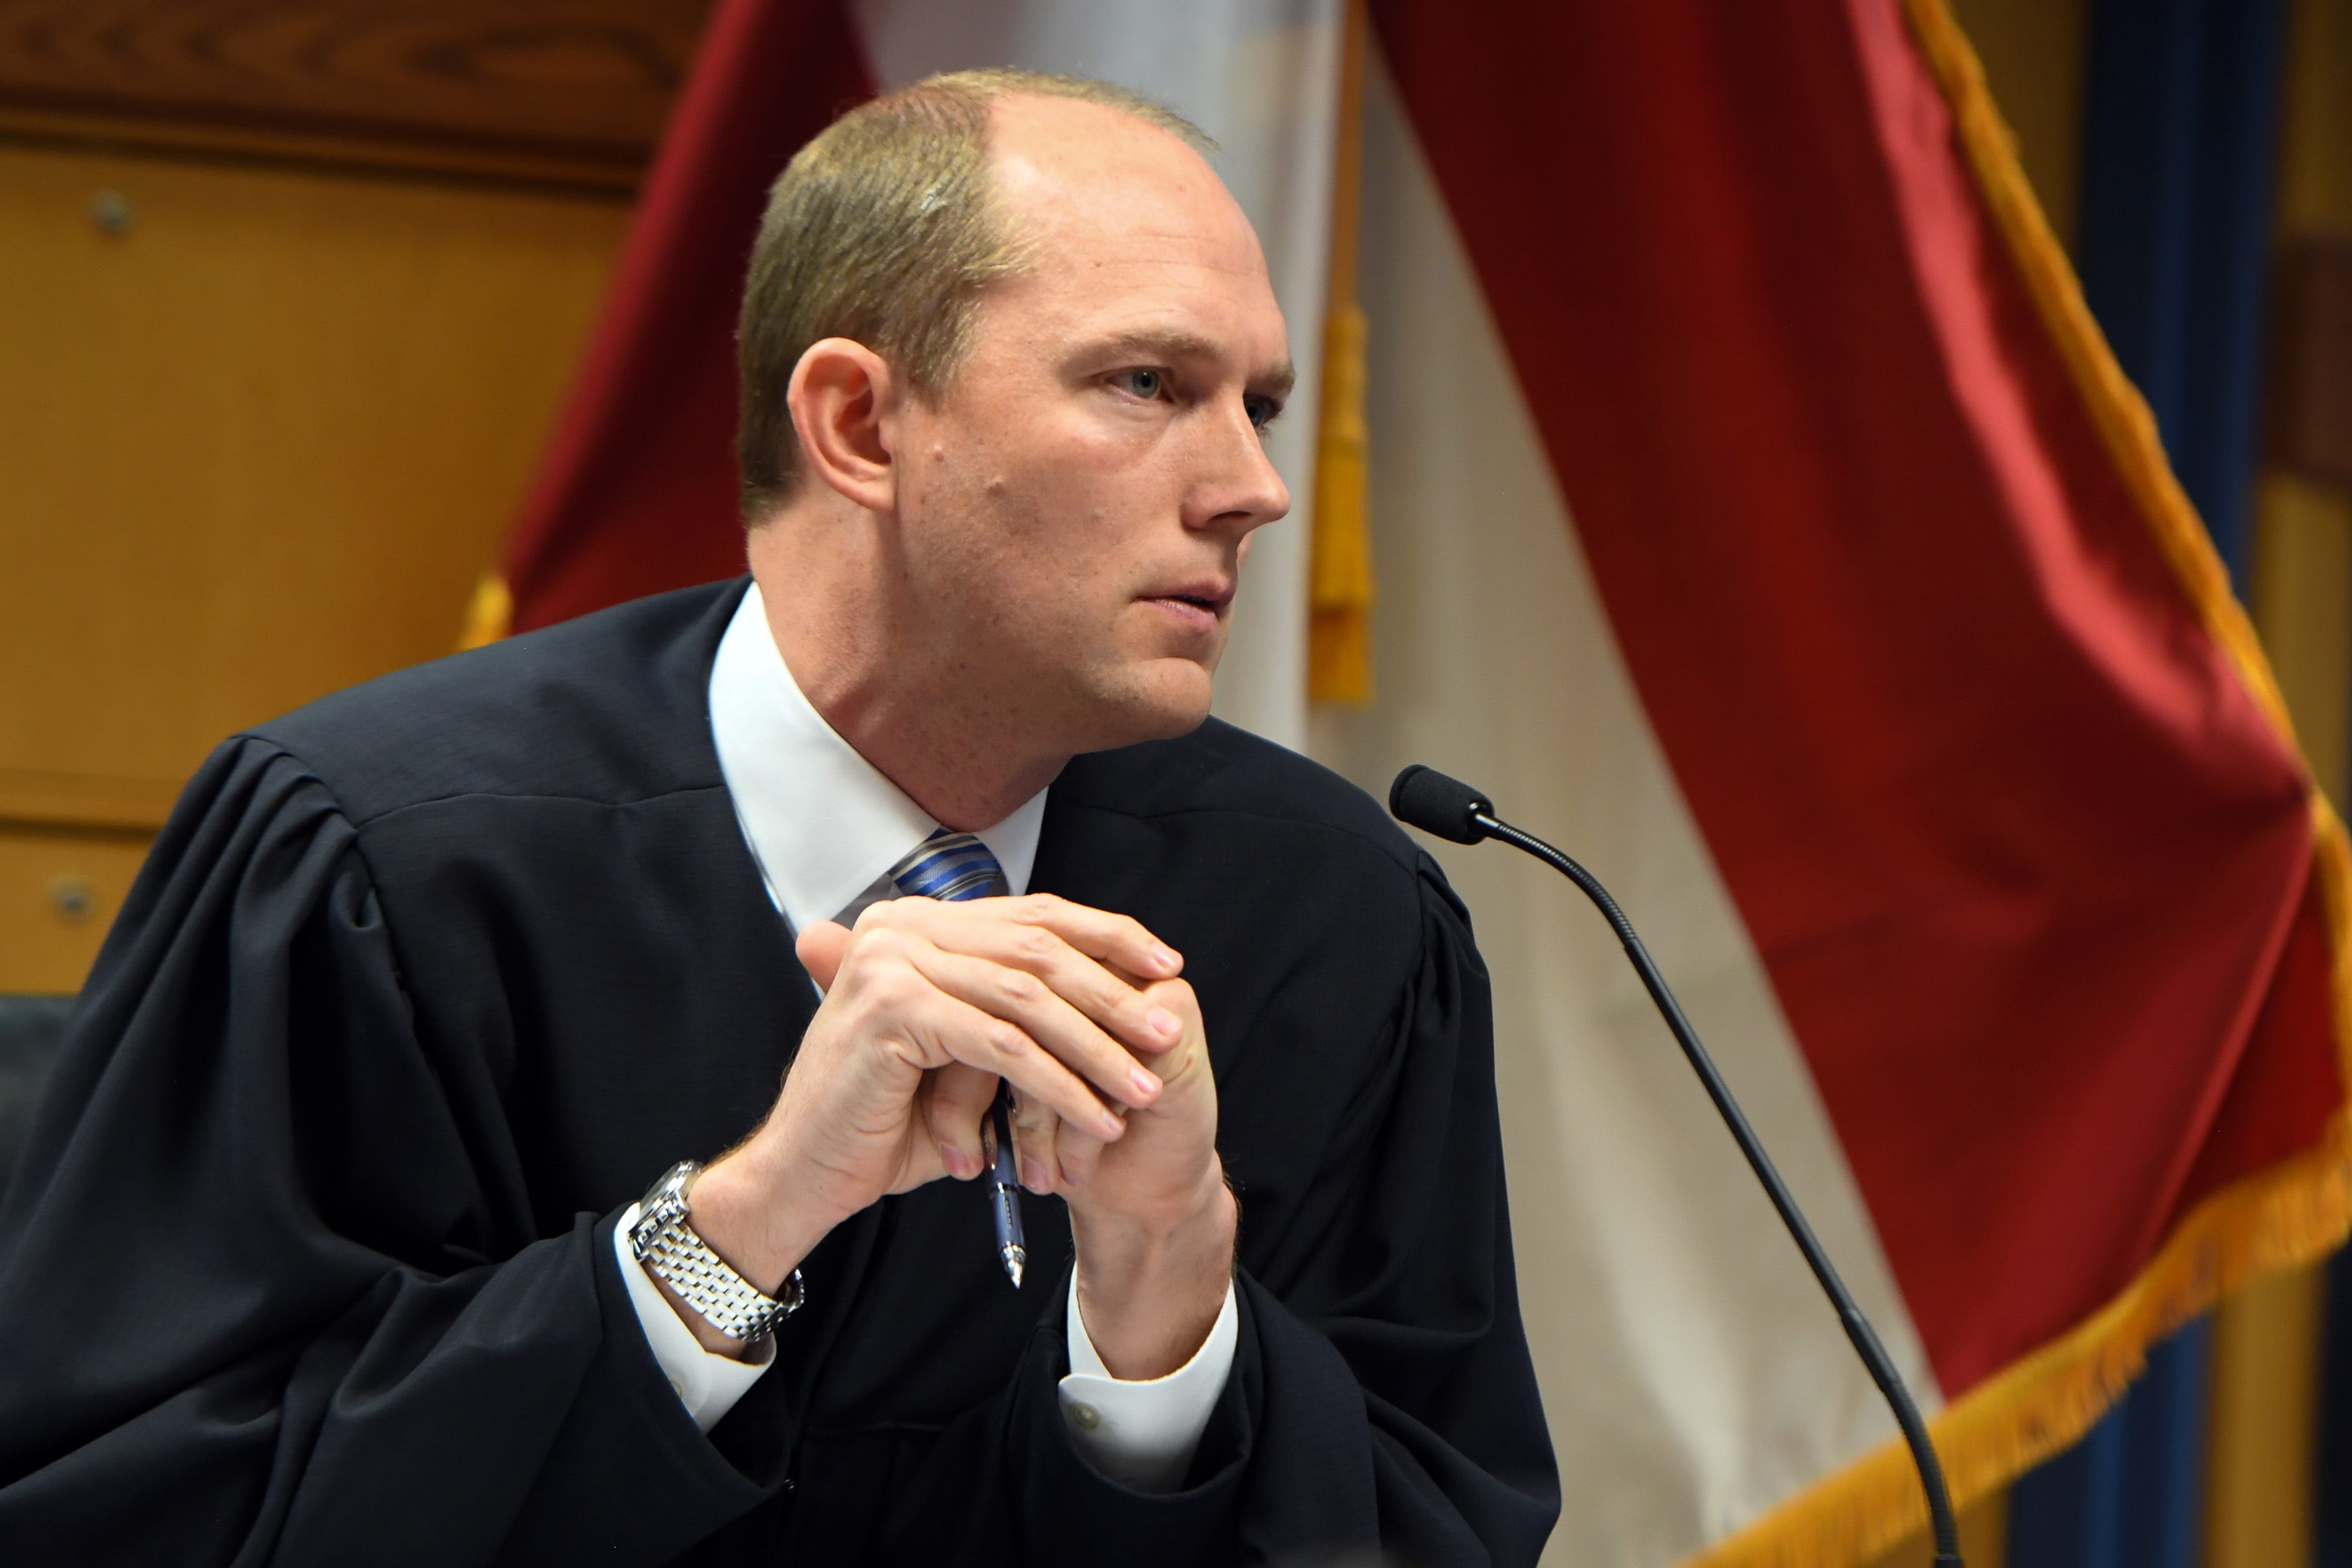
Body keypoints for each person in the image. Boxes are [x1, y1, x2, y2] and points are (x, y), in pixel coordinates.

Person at [0, 71, 1558, 1565]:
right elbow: (132, 1512)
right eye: (1148, 384)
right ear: (860, 426)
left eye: (1262, 405)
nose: (1252, 488)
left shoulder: (1331, 921)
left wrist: (1168, 1319)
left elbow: (1432, 1521)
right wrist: (737, 1231)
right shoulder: (387, 864)